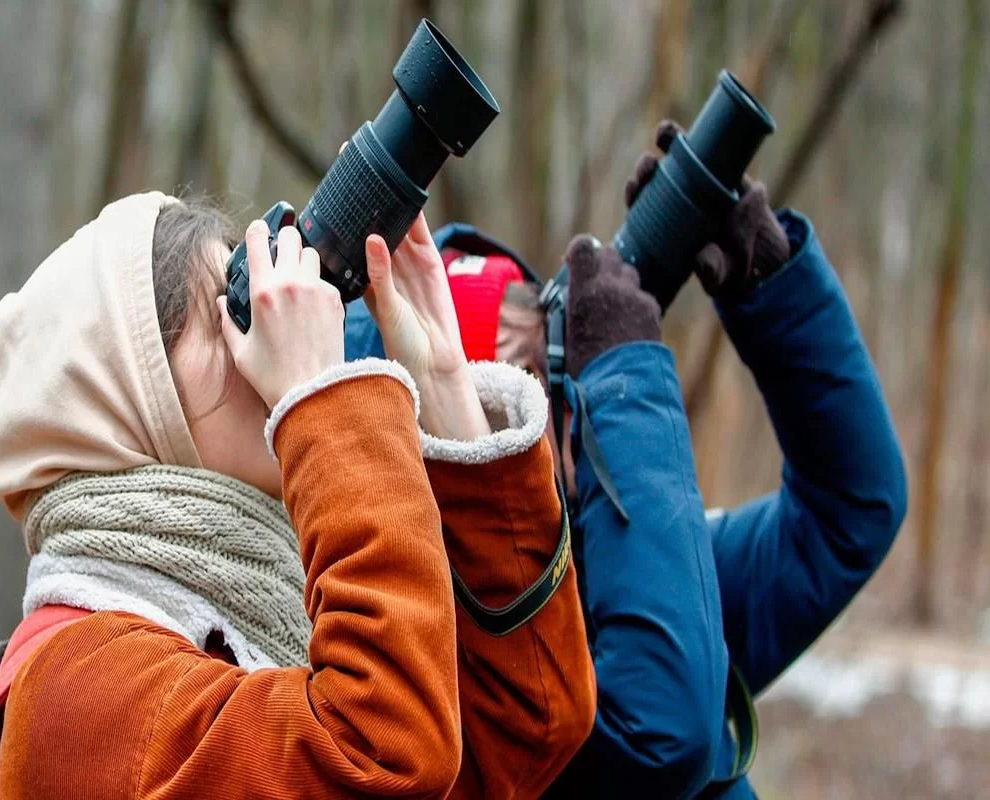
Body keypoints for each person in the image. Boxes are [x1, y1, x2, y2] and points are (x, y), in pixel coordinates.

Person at [0, 193, 594, 799]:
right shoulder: (75, 693)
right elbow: (385, 760)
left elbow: (531, 725)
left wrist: (442, 384)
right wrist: (328, 405)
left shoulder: (275, 610)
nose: (265, 341)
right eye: (230, 317)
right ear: (132, 403)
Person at [345, 122, 908, 798]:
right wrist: (625, 380)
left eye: (550, 367)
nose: (555, 414)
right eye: (505, 396)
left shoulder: (606, 563)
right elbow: (657, 736)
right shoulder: (450, 682)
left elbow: (850, 511)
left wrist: (770, 285)